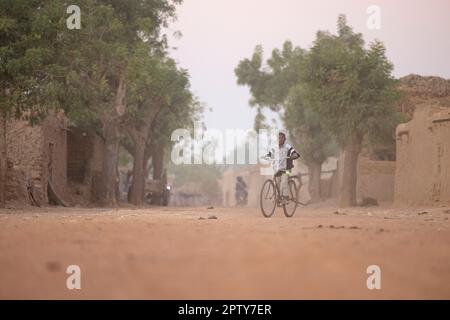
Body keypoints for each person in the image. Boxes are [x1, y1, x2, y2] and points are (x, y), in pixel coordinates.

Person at [265, 131, 300, 204]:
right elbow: (270, 153)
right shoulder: (274, 148)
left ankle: (286, 198)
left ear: (284, 139)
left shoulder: (288, 147)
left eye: (281, 138)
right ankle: (278, 197)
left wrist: (294, 155)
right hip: (278, 169)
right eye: (278, 138)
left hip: (287, 169)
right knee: (276, 183)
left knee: (284, 182)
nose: (279, 139)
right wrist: (267, 156)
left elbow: (294, 153)